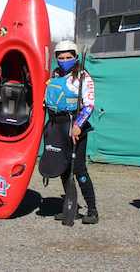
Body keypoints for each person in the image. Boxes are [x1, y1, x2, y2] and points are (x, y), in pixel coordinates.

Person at [43, 40, 98, 224]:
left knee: (79, 169)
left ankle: (92, 210)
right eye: (61, 57)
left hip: (74, 124)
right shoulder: (55, 75)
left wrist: (78, 125)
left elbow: (89, 104)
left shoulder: (83, 77)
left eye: (68, 57)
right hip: (56, 124)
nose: (64, 60)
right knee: (63, 169)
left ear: (75, 57)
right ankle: (71, 207)